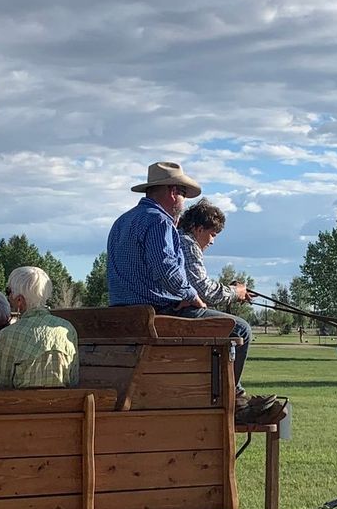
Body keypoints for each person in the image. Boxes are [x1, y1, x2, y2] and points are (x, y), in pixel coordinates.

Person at [107, 162, 280, 425]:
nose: (184, 203)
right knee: (240, 329)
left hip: (124, 314)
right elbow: (166, 268)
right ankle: (231, 401)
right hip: (157, 315)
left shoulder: (122, 221)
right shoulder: (159, 221)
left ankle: (233, 393)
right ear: (173, 192)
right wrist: (190, 295)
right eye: (184, 195)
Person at [177, 198, 256, 384]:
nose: (212, 241)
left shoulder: (177, 239)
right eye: (212, 234)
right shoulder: (188, 243)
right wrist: (235, 292)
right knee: (241, 330)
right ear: (198, 229)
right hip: (176, 313)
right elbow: (204, 290)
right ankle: (232, 393)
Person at [0, 266, 79, 389]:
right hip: (63, 406)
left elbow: (0, 386)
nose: (8, 297)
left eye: (8, 291)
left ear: (20, 300)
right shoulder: (67, 329)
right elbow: (74, 380)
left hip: (22, 407)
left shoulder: (8, 335)